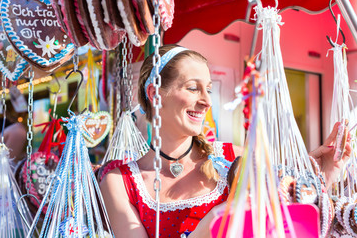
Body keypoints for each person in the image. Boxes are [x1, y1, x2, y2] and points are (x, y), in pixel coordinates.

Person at [99, 44, 351, 238]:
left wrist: (323, 173)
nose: (207, 100)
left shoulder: (235, 158)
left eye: (208, 88)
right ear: (155, 94)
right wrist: (219, 216)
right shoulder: (120, 182)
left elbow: (286, 216)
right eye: (192, 88)